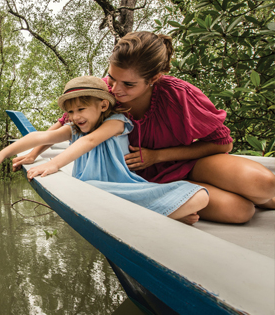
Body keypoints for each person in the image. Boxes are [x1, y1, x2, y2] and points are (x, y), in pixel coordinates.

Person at [14, 32, 275, 224]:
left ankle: (261, 198)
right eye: (113, 78)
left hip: (186, 162)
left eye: (128, 84)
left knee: (264, 184)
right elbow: (66, 122)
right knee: (241, 212)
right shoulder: (103, 92)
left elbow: (223, 144)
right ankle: (184, 193)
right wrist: (35, 152)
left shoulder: (179, 95)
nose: (115, 89)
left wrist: (158, 156)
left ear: (154, 79)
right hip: (141, 181)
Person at [0, 76, 209, 225]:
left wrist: (54, 164)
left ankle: (167, 212)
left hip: (121, 187)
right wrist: (2, 153)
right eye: (71, 112)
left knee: (200, 195)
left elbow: (91, 141)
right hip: (92, 190)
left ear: (103, 104)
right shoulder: (75, 128)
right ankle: (169, 214)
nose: (76, 117)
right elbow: (42, 136)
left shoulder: (117, 122)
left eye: (81, 109)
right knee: (86, 193)